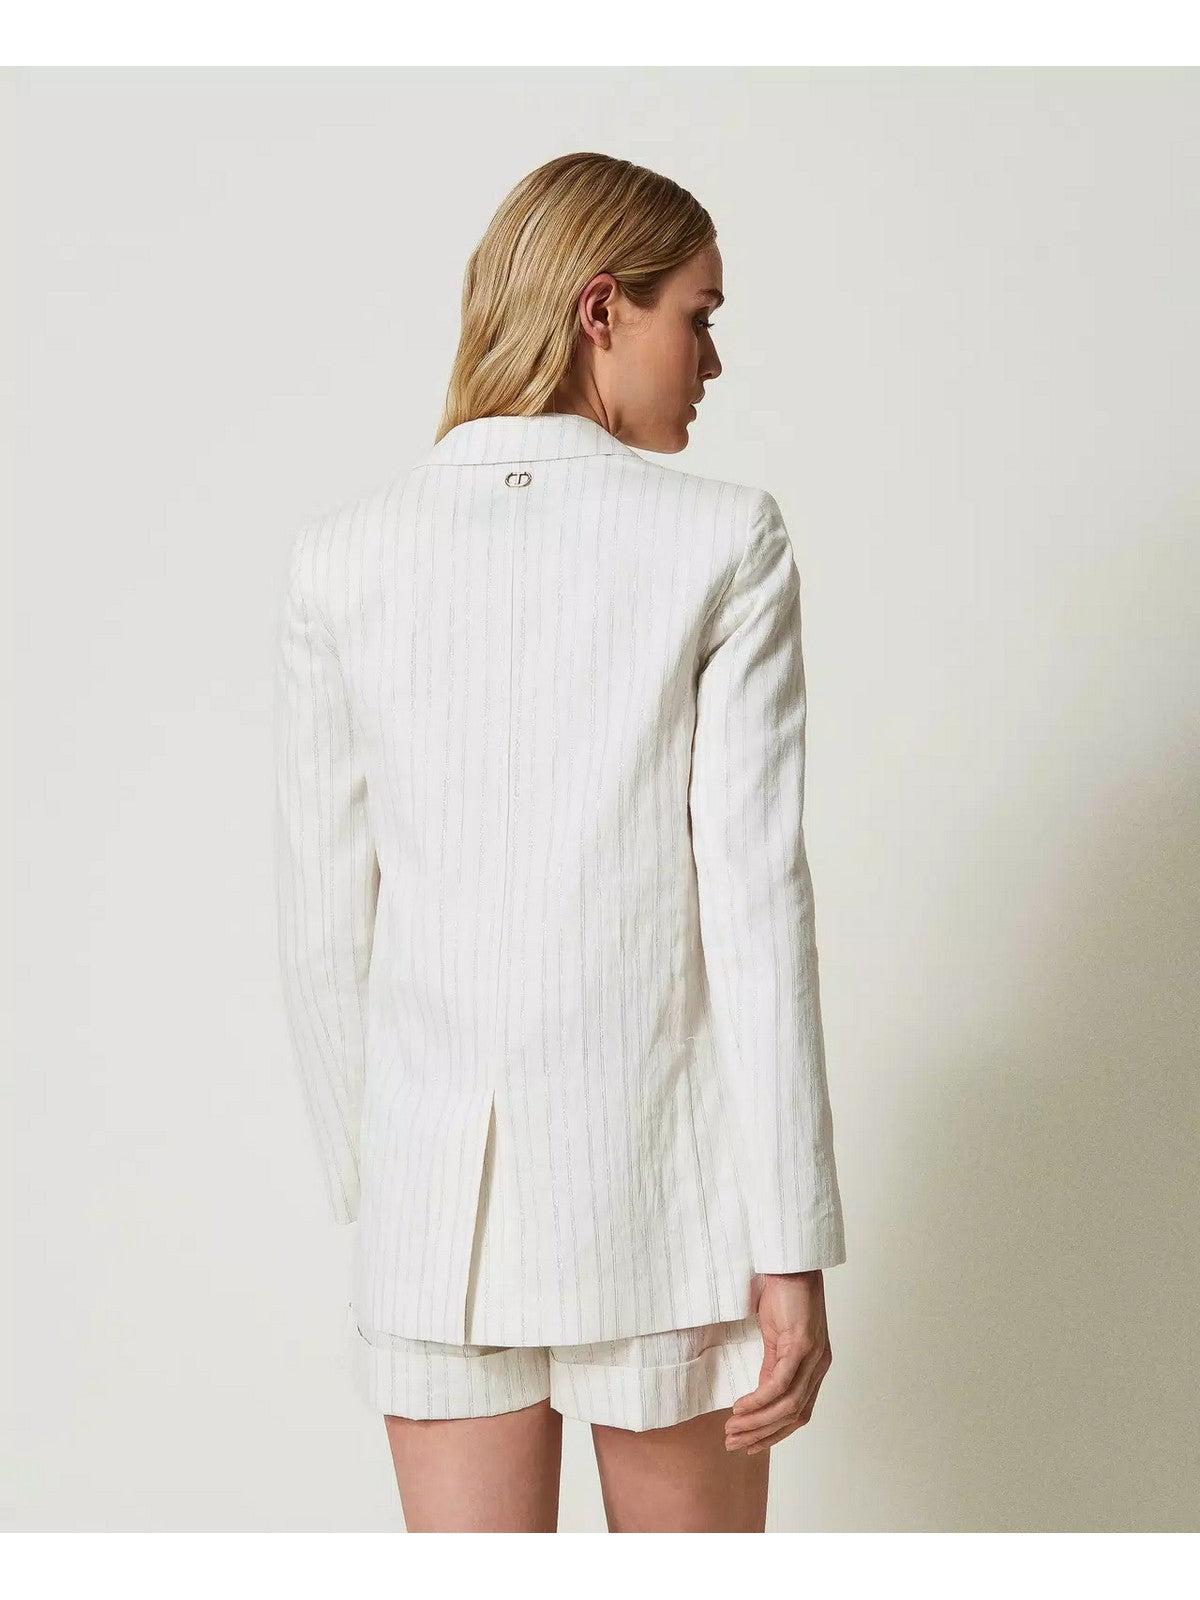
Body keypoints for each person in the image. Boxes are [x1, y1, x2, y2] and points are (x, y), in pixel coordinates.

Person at [272, 151, 846, 1533]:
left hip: (434, 1220)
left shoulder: (343, 557)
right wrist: (792, 1240)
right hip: (667, 1206)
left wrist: (381, 1175)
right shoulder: (723, 539)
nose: (712, 358)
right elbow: (754, 907)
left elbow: (322, 917)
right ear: (601, 310)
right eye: (698, 315)